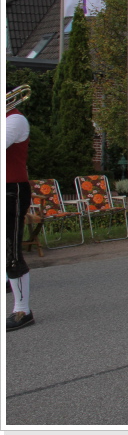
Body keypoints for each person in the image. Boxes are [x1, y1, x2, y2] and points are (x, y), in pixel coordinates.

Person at [6, 86, 34, 332]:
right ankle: (8, 280)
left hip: (11, 190)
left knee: (11, 251)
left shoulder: (15, 119)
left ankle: (22, 310)